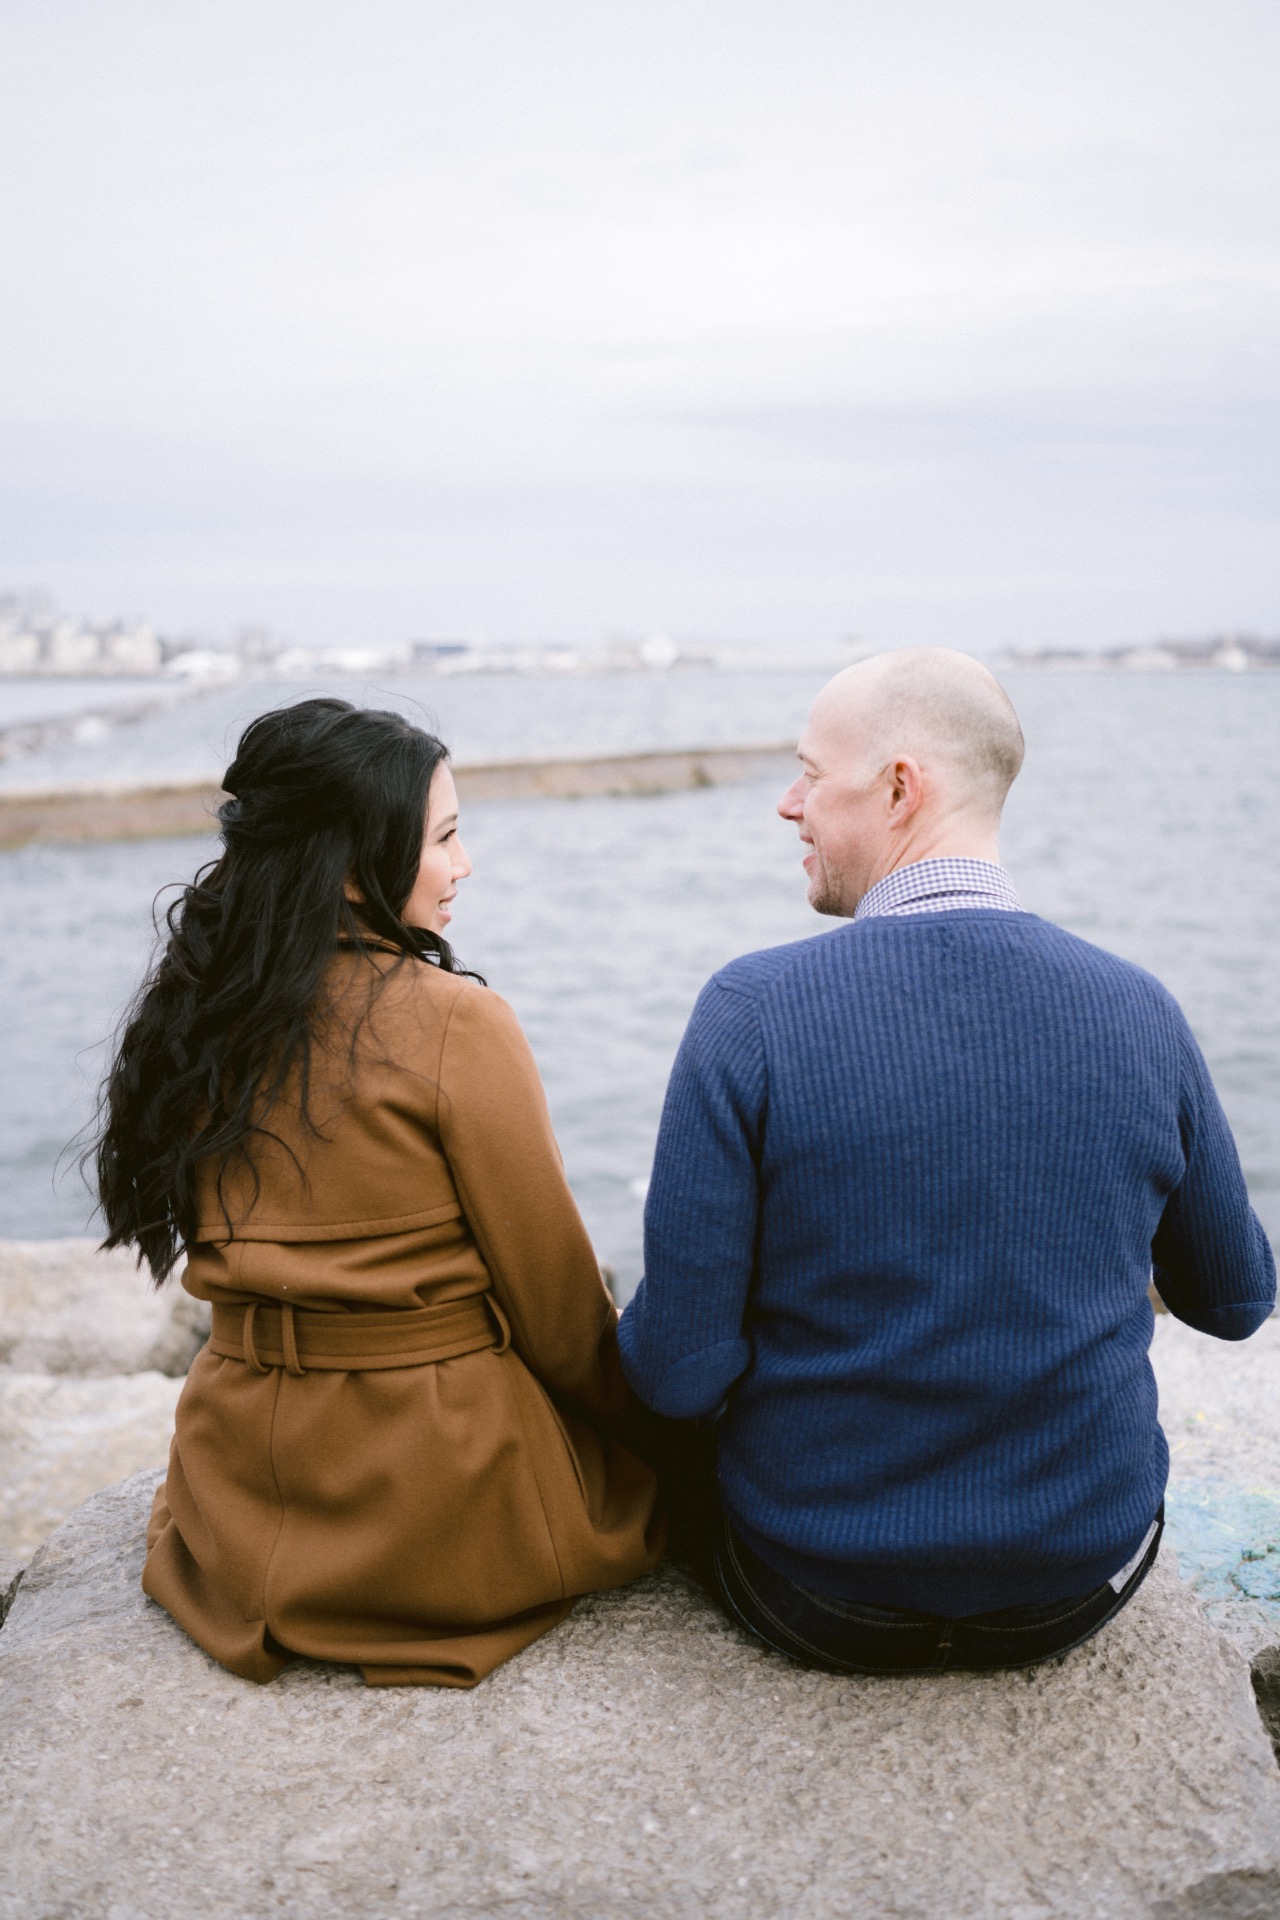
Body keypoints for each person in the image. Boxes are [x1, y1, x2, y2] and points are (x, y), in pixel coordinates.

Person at [618, 648, 1275, 1674]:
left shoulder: (749, 1012)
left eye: (806, 774)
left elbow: (676, 1374)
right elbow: (1234, 1301)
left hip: (814, 1591)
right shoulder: (1137, 1007)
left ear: (896, 787)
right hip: (1073, 1583)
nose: (786, 806)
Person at [96, 697, 663, 1687]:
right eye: (443, 837)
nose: (464, 865)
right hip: (432, 1495)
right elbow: (555, 1306)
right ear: (356, 867)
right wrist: (646, 1422)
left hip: (240, 1476)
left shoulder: (200, 1008)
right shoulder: (455, 1024)